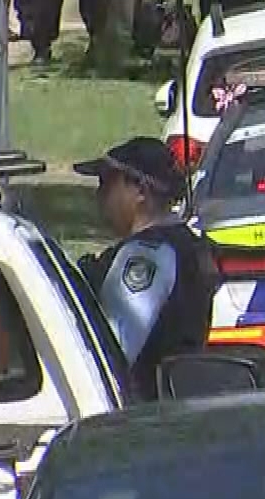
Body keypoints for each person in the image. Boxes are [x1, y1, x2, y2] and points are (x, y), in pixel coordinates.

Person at [73, 138, 216, 400]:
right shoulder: (185, 244)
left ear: (140, 189)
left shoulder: (146, 255)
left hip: (145, 414)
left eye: (108, 183)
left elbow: (113, 353)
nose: (99, 195)